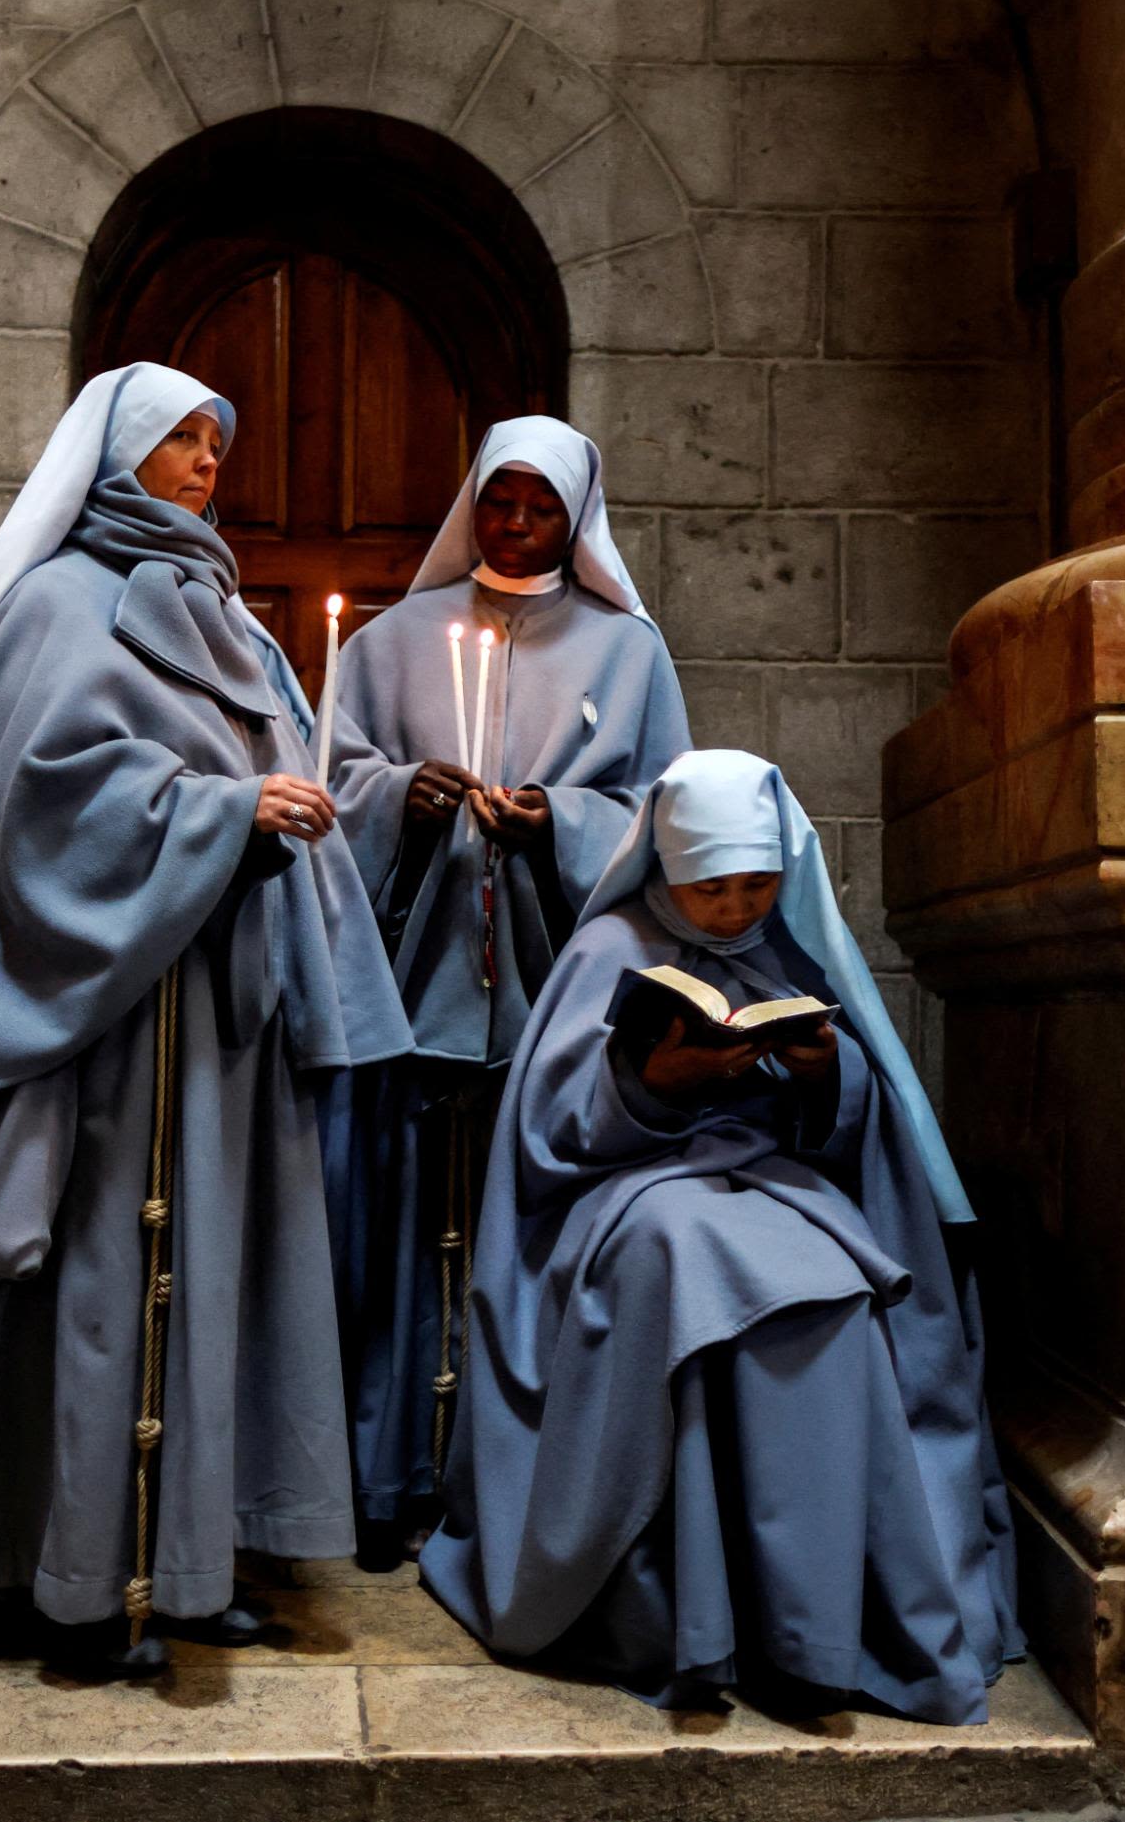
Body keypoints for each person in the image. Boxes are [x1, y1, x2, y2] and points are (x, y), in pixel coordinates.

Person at [0, 362, 411, 1676]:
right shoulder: (58, 603)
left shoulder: (222, 612)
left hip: (220, 1016)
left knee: (218, 1279)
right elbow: (37, 798)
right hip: (115, 1016)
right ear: (114, 457)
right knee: (102, 1277)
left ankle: (186, 1556)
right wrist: (222, 813)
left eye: (213, 439)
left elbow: (262, 759)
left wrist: (284, 808)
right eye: (177, 437)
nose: (205, 457)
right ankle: (68, 1570)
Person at [420, 750, 1018, 1723]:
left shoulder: (777, 947)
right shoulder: (607, 945)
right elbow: (544, 1132)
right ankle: (692, 1621)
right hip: (619, 1199)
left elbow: (850, 1116)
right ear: (666, 867)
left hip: (765, 1184)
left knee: (832, 1285)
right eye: (711, 888)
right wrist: (656, 1083)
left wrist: (821, 1066)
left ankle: (809, 1629)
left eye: (756, 885)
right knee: (685, 1260)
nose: (736, 908)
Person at [320, 416, 688, 1562]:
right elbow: (331, 782)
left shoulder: (629, 654)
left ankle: (506, 1481)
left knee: (529, 1232)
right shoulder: (389, 643)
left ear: (575, 518)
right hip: (418, 974)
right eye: (498, 502)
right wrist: (399, 799)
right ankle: (387, 1478)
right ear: (470, 502)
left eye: (539, 508)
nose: (516, 525)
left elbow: (665, 812)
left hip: (551, 986)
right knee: (396, 1229)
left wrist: (558, 822)